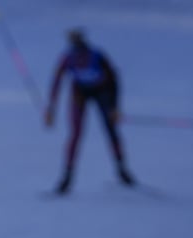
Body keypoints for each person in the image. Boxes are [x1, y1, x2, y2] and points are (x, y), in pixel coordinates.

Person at [44, 28, 135, 194]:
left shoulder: (97, 56)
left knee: (111, 131)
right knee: (76, 134)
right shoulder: (68, 58)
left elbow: (114, 80)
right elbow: (57, 81)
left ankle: (122, 171)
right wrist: (51, 109)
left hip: (102, 92)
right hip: (80, 93)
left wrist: (115, 108)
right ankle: (67, 178)